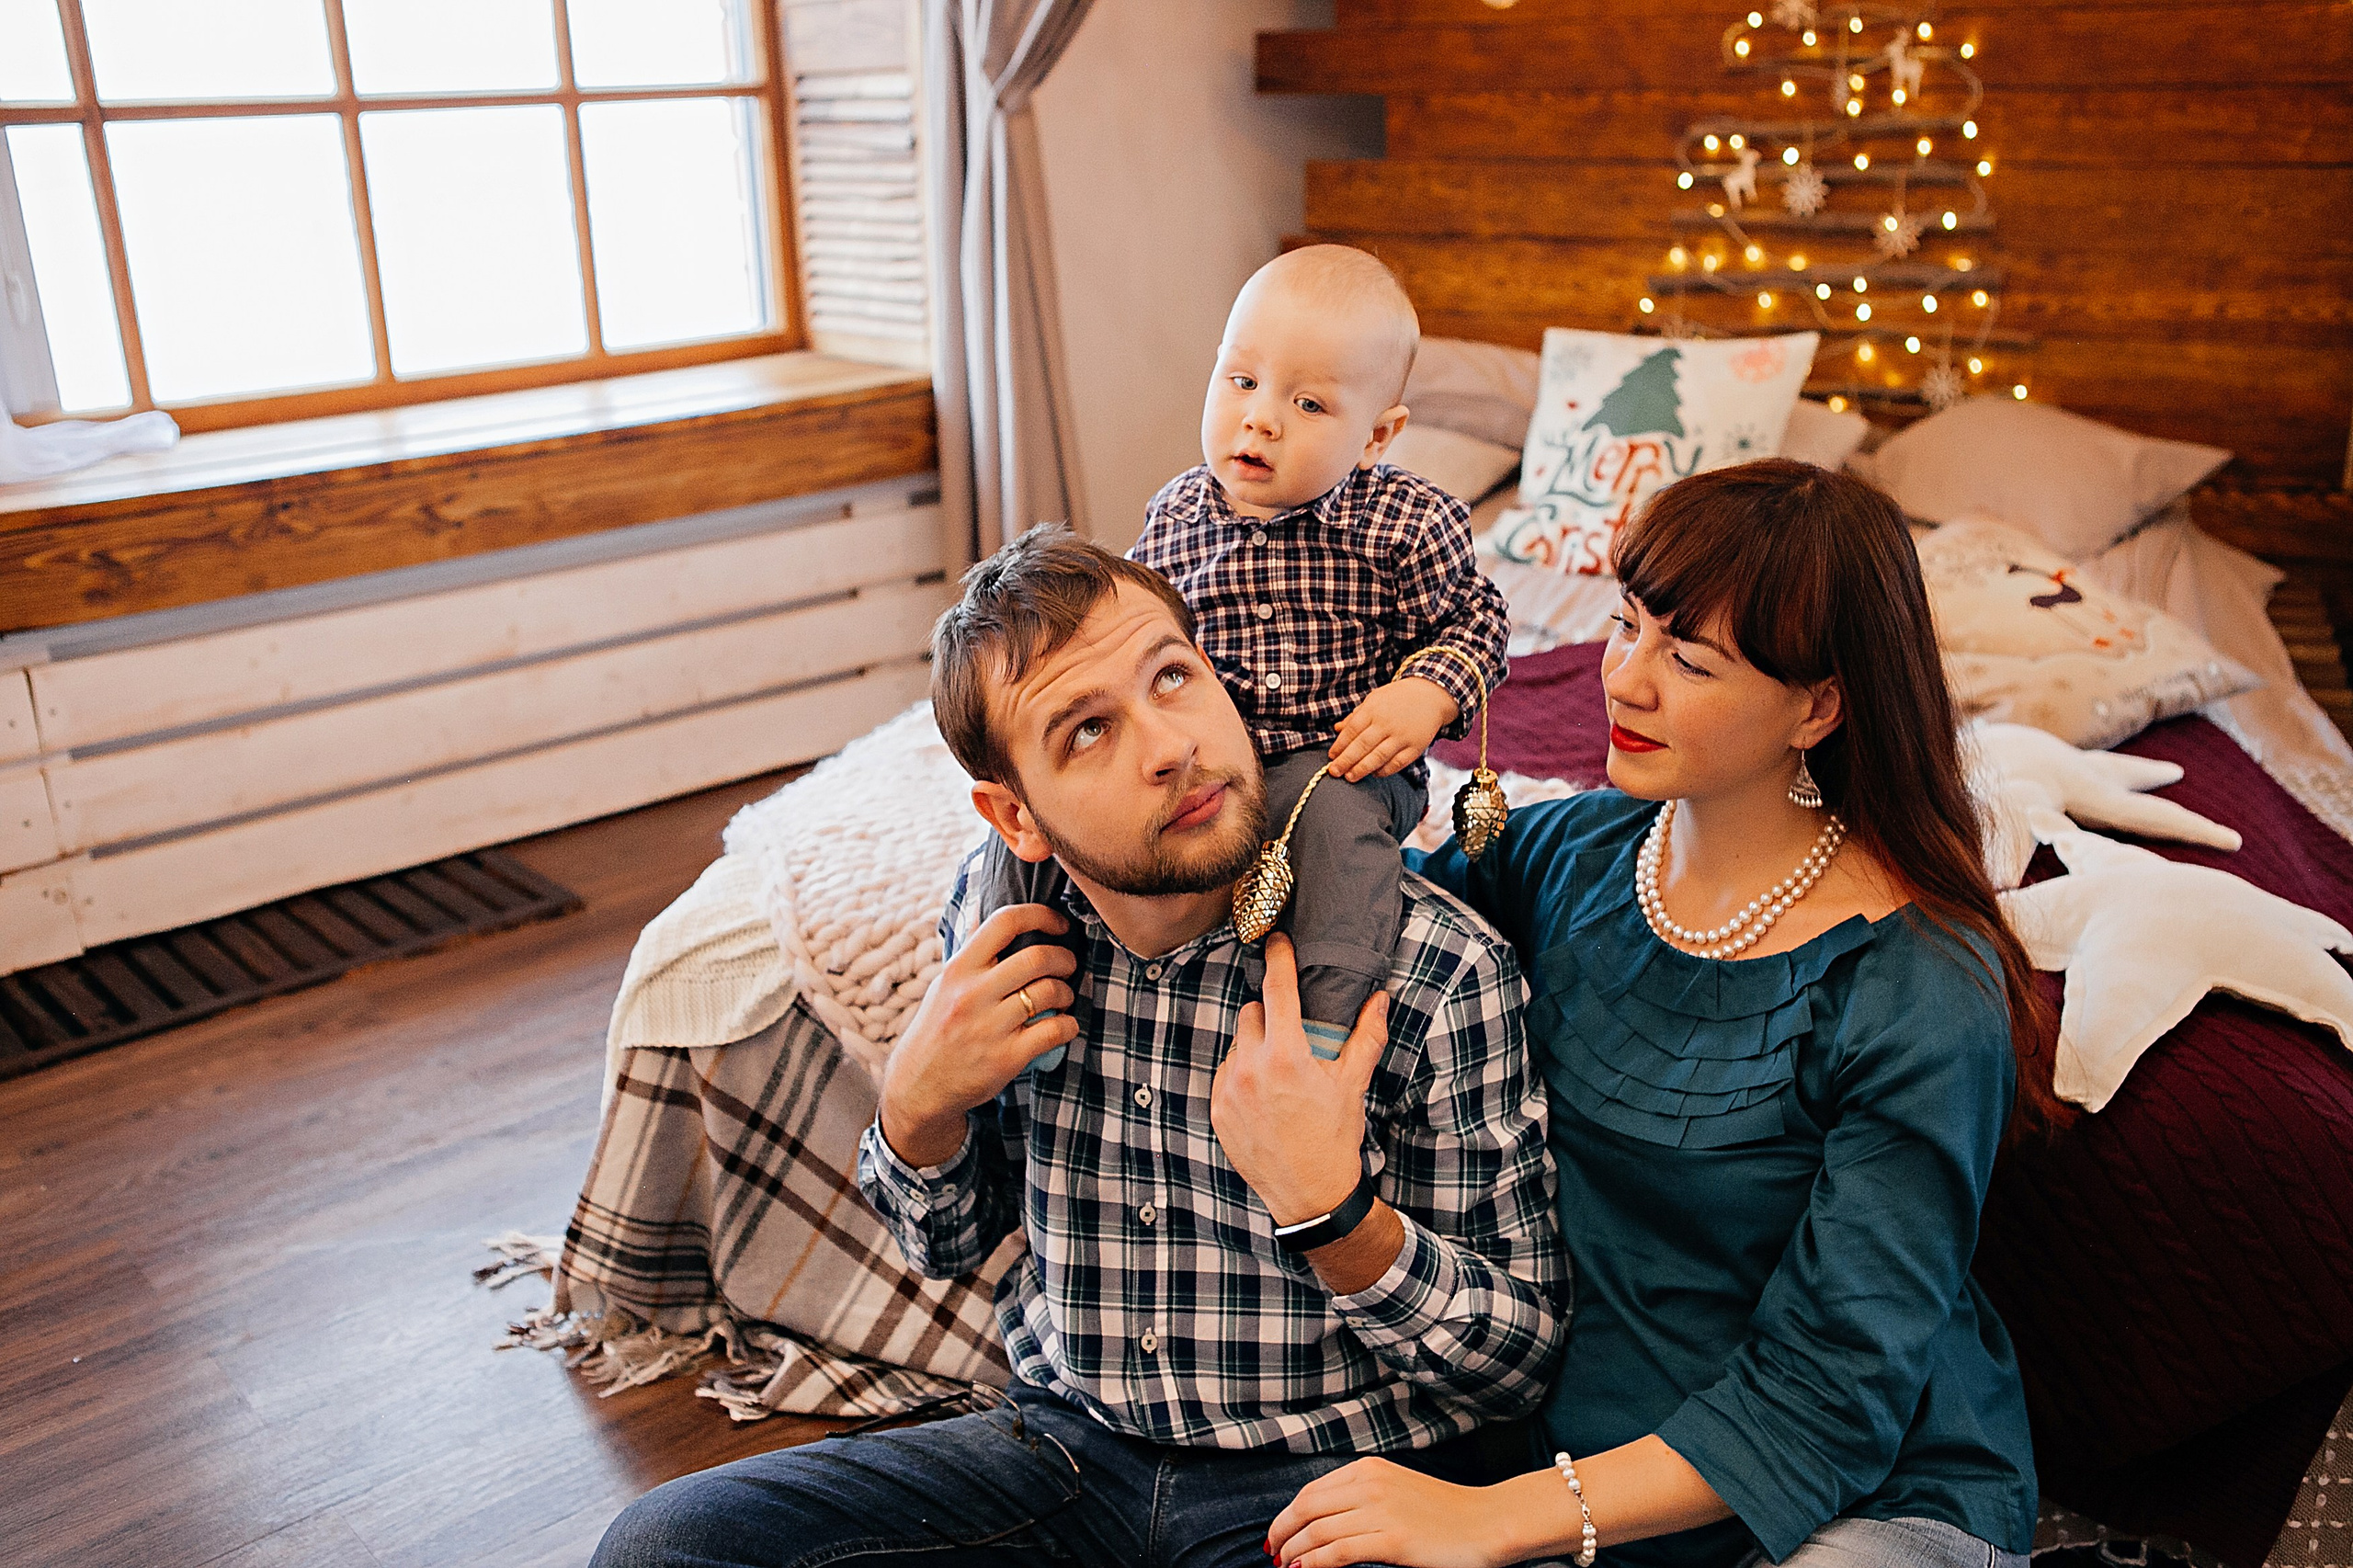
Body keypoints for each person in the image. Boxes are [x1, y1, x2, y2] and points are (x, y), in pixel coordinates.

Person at [589, 525, 1564, 1568]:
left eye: (1175, 678)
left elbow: (1511, 1371)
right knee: (662, 1546)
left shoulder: (1430, 967)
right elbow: (951, 1244)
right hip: (1058, 1458)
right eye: (1087, 730)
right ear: (1015, 815)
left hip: (1331, 1487)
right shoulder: (997, 923)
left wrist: (1333, 1212)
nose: (1169, 744)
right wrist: (916, 1110)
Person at [1267, 460, 2060, 1568]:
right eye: (1621, 625)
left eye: (1686, 658)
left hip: (1857, 1491)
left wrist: (1492, 1517)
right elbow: (1347, 918)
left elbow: (1828, 1396)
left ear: (1818, 705)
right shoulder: (1564, 855)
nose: (1622, 681)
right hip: (1559, 1459)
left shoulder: (1919, 984)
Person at [971, 244, 1510, 1061]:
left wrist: (1427, 694)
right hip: (1204, 747)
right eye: (1242, 381)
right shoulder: (1177, 513)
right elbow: (1131, 647)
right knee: (1043, 822)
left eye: (1310, 405)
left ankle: (1320, 1028)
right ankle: (1013, 1000)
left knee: (1329, 827)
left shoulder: (1406, 522)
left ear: (1379, 435)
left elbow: (1478, 621)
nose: (1260, 418)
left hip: (1337, 756)